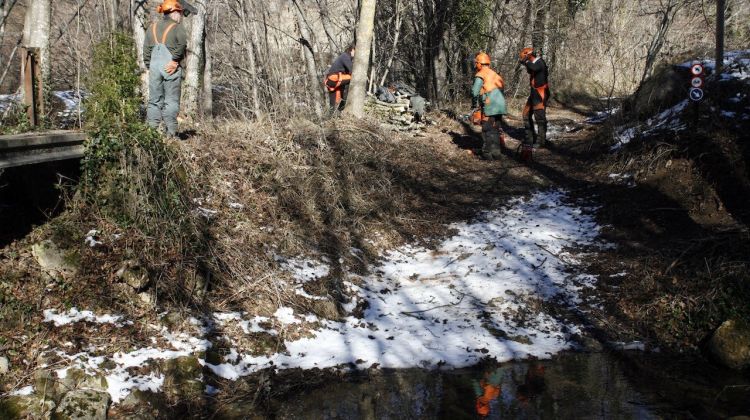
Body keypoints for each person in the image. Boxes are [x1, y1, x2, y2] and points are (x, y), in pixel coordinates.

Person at [143, 0, 196, 137]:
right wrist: (174, 60)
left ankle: (151, 135)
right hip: (170, 67)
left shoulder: (152, 28)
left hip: (154, 68)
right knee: (171, 101)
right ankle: (170, 135)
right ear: (173, 12)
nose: (180, 16)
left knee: (154, 101)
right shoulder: (177, 27)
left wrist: (150, 66)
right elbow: (182, 44)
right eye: (179, 13)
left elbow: (146, 51)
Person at [471, 52, 507, 160]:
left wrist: (474, 104)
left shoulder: (480, 74)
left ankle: (487, 154)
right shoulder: (495, 74)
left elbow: (474, 92)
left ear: (479, 64)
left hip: (490, 105)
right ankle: (496, 153)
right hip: (501, 105)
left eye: (476, 63)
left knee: (486, 129)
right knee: (495, 128)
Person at [519, 47, 550, 162]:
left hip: (540, 93)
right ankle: (530, 138)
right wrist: (525, 63)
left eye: (525, 57)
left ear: (529, 55)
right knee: (526, 115)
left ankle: (541, 142)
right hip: (533, 93)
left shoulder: (540, 62)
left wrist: (526, 61)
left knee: (540, 118)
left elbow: (534, 68)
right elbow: (530, 69)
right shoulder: (533, 63)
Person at [324, 45, 355, 111]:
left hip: (331, 81)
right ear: (352, 49)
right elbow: (353, 71)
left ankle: (332, 118)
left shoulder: (344, 56)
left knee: (334, 105)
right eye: (355, 51)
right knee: (353, 77)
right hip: (334, 79)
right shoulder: (345, 56)